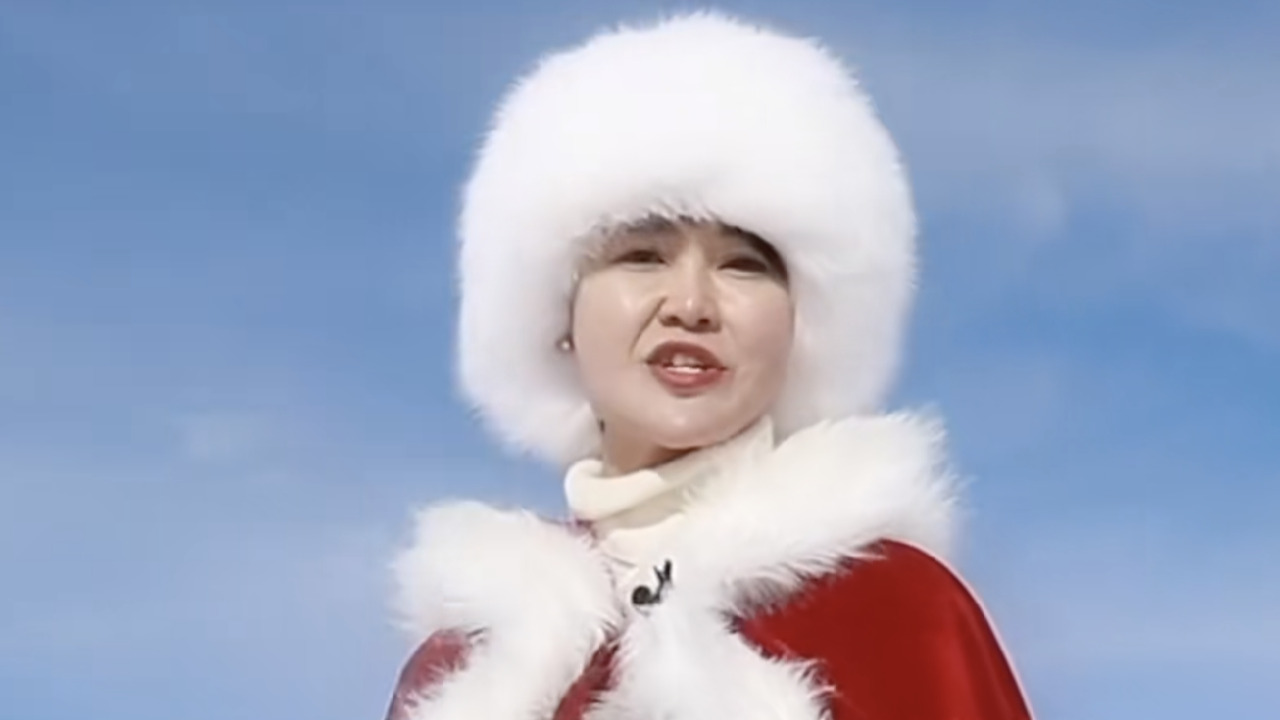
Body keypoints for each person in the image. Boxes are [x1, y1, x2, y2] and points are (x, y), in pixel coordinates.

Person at [384, 11, 1033, 720]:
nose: (691, 304)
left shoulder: (898, 610)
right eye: (642, 256)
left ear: (799, 324)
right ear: (557, 313)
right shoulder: (465, 668)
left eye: (744, 266)